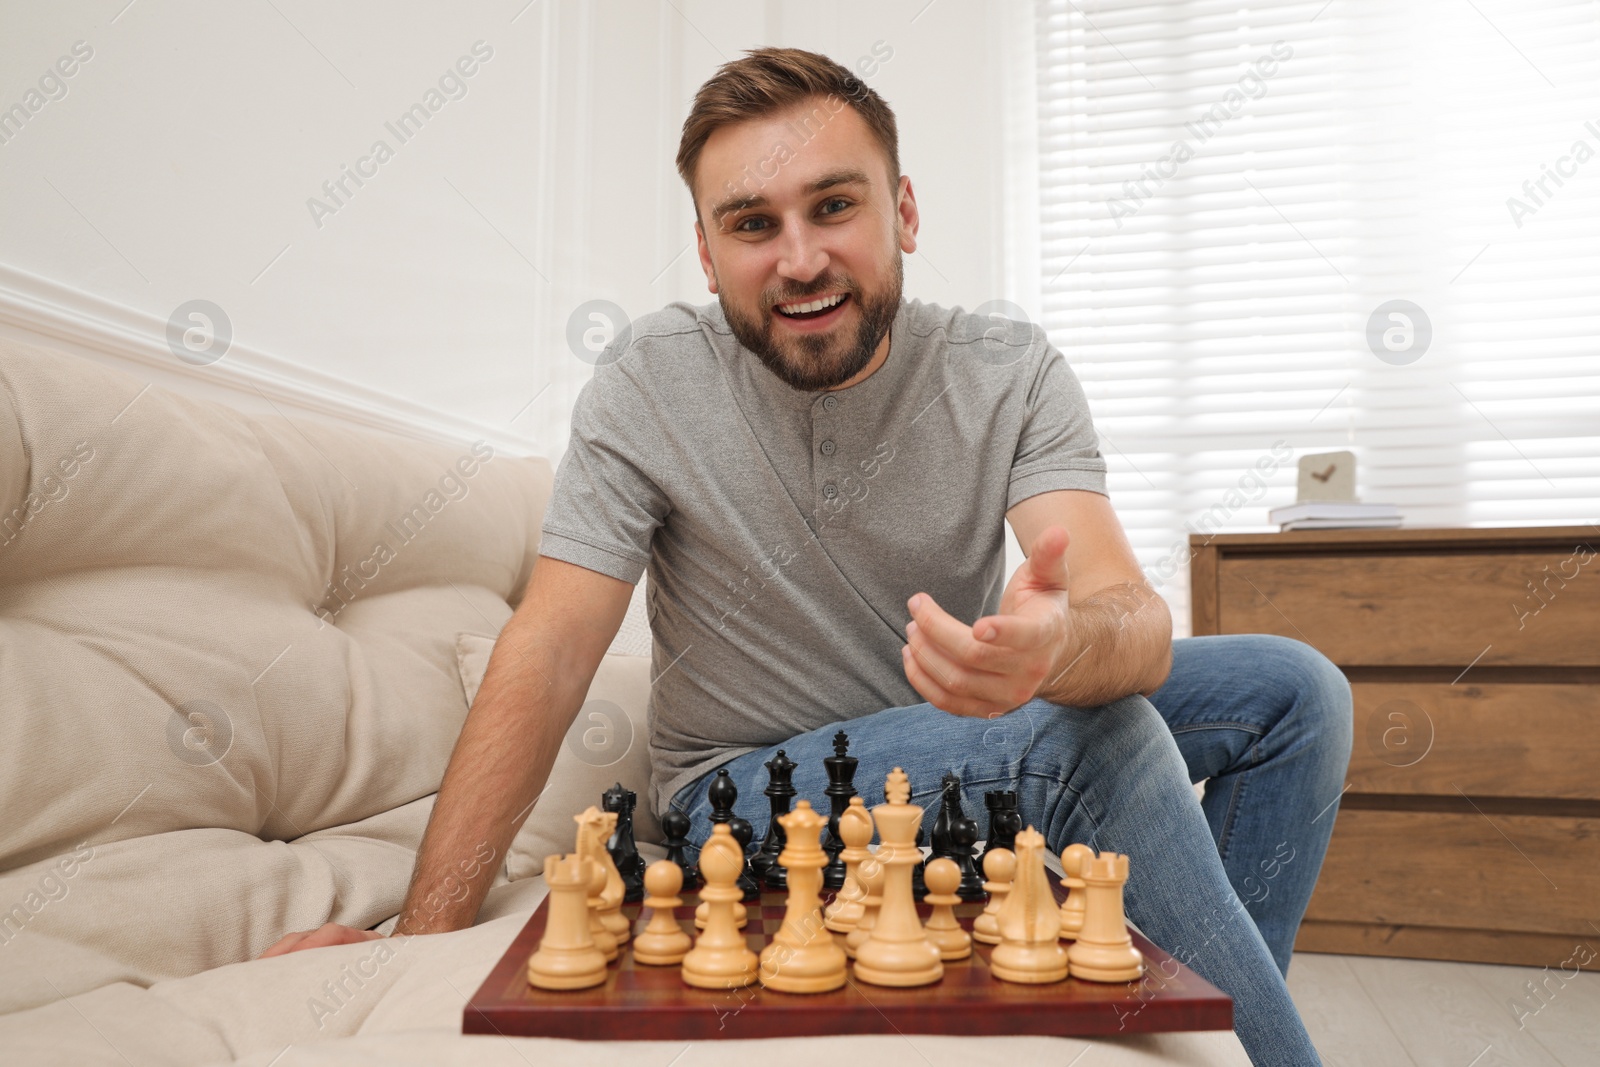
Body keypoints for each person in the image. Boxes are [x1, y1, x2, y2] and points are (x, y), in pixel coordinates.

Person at [263, 47, 1349, 1065]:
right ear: (704, 249)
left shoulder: (1006, 369)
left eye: (834, 205)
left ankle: (1203, 1018)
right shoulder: (647, 382)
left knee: (1296, 690)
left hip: (961, 745)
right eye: (750, 223)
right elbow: (547, 651)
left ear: (904, 210)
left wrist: (1056, 644)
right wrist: (418, 932)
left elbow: (1132, 614)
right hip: (747, 799)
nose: (799, 259)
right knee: (1090, 741)